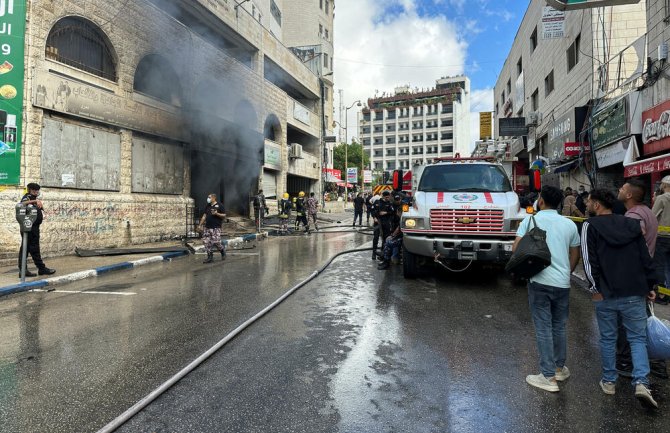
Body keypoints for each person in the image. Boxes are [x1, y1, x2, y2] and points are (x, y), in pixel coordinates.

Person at [581, 189, 660, 408]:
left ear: (597, 205)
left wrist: (595, 288)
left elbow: (589, 263)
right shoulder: (632, 225)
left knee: (608, 339)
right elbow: (644, 256)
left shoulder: (590, 226)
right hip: (634, 291)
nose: (587, 204)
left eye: (589, 201)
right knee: (637, 339)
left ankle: (609, 382)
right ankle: (641, 382)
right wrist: (650, 285)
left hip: (605, 293)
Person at [513, 185, 580, 393]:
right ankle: (559, 368)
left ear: (540, 200)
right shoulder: (569, 224)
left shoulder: (530, 221)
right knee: (559, 326)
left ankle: (548, 376)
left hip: (539, 280)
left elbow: (516, 249)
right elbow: (575, 253)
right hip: (562, 283)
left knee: (543, 327)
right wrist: (566, 272)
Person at [616, 179, 666, 379]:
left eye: (622, 188)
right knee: (641, 319)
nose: (619, 190)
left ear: (629, 195)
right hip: (643, 275)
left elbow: (637, 235)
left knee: (627, 320)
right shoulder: (647, 211)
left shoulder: (634, 215)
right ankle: (654, 360)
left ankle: (627, 362)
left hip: (634, 276)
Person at [17, 183, 55, 277]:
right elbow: (21, 204)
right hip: (29, 227)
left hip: (34, 227)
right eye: (34, 190)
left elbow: (41, 209)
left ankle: (24, 270)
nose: (36, 192)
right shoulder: (27, 197)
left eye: (37, 190)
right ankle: (40, 268)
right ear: (29, 190)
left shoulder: (34, 198)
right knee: (31, 249)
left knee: (27, 249)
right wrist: (35, 200)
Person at [652, 175, 670, 304]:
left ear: (664, 185)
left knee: (660, 266)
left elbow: (653, 217)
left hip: (663, 237)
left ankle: (663, 296)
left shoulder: (661, 198)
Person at [378, 195, 404, 270]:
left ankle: (386, 261)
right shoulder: (401, 219)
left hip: (404, 238)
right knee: (388, 240)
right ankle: (386, 260)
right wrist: (392, 236)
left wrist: (392, 236)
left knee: (389, 243)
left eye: (398, 212)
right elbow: (397, 229)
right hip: (400, 236)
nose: (397, 214)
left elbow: (398, 229)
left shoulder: (403, 219)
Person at [199, 193, 226, 263]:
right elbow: (204, 216)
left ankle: (222, 250)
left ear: (214, 198)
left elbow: (224, 215)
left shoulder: (220, 205)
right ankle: (210, 257)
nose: (208, 199)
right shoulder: (208, 206)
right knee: (206, 241)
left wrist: (217, 214)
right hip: (207, 227)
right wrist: (200, 225)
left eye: (209, 197)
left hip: (216, 227)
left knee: (216, 241)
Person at [370, 194, 382, 259]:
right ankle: (374, 253)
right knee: (376, 238)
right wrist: (374, 217)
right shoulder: (377, 202)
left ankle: (383, 254)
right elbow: (372, 210)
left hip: (385, 223)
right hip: (377, 223)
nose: (387, 198)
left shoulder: (388, 203)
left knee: (385, 239)